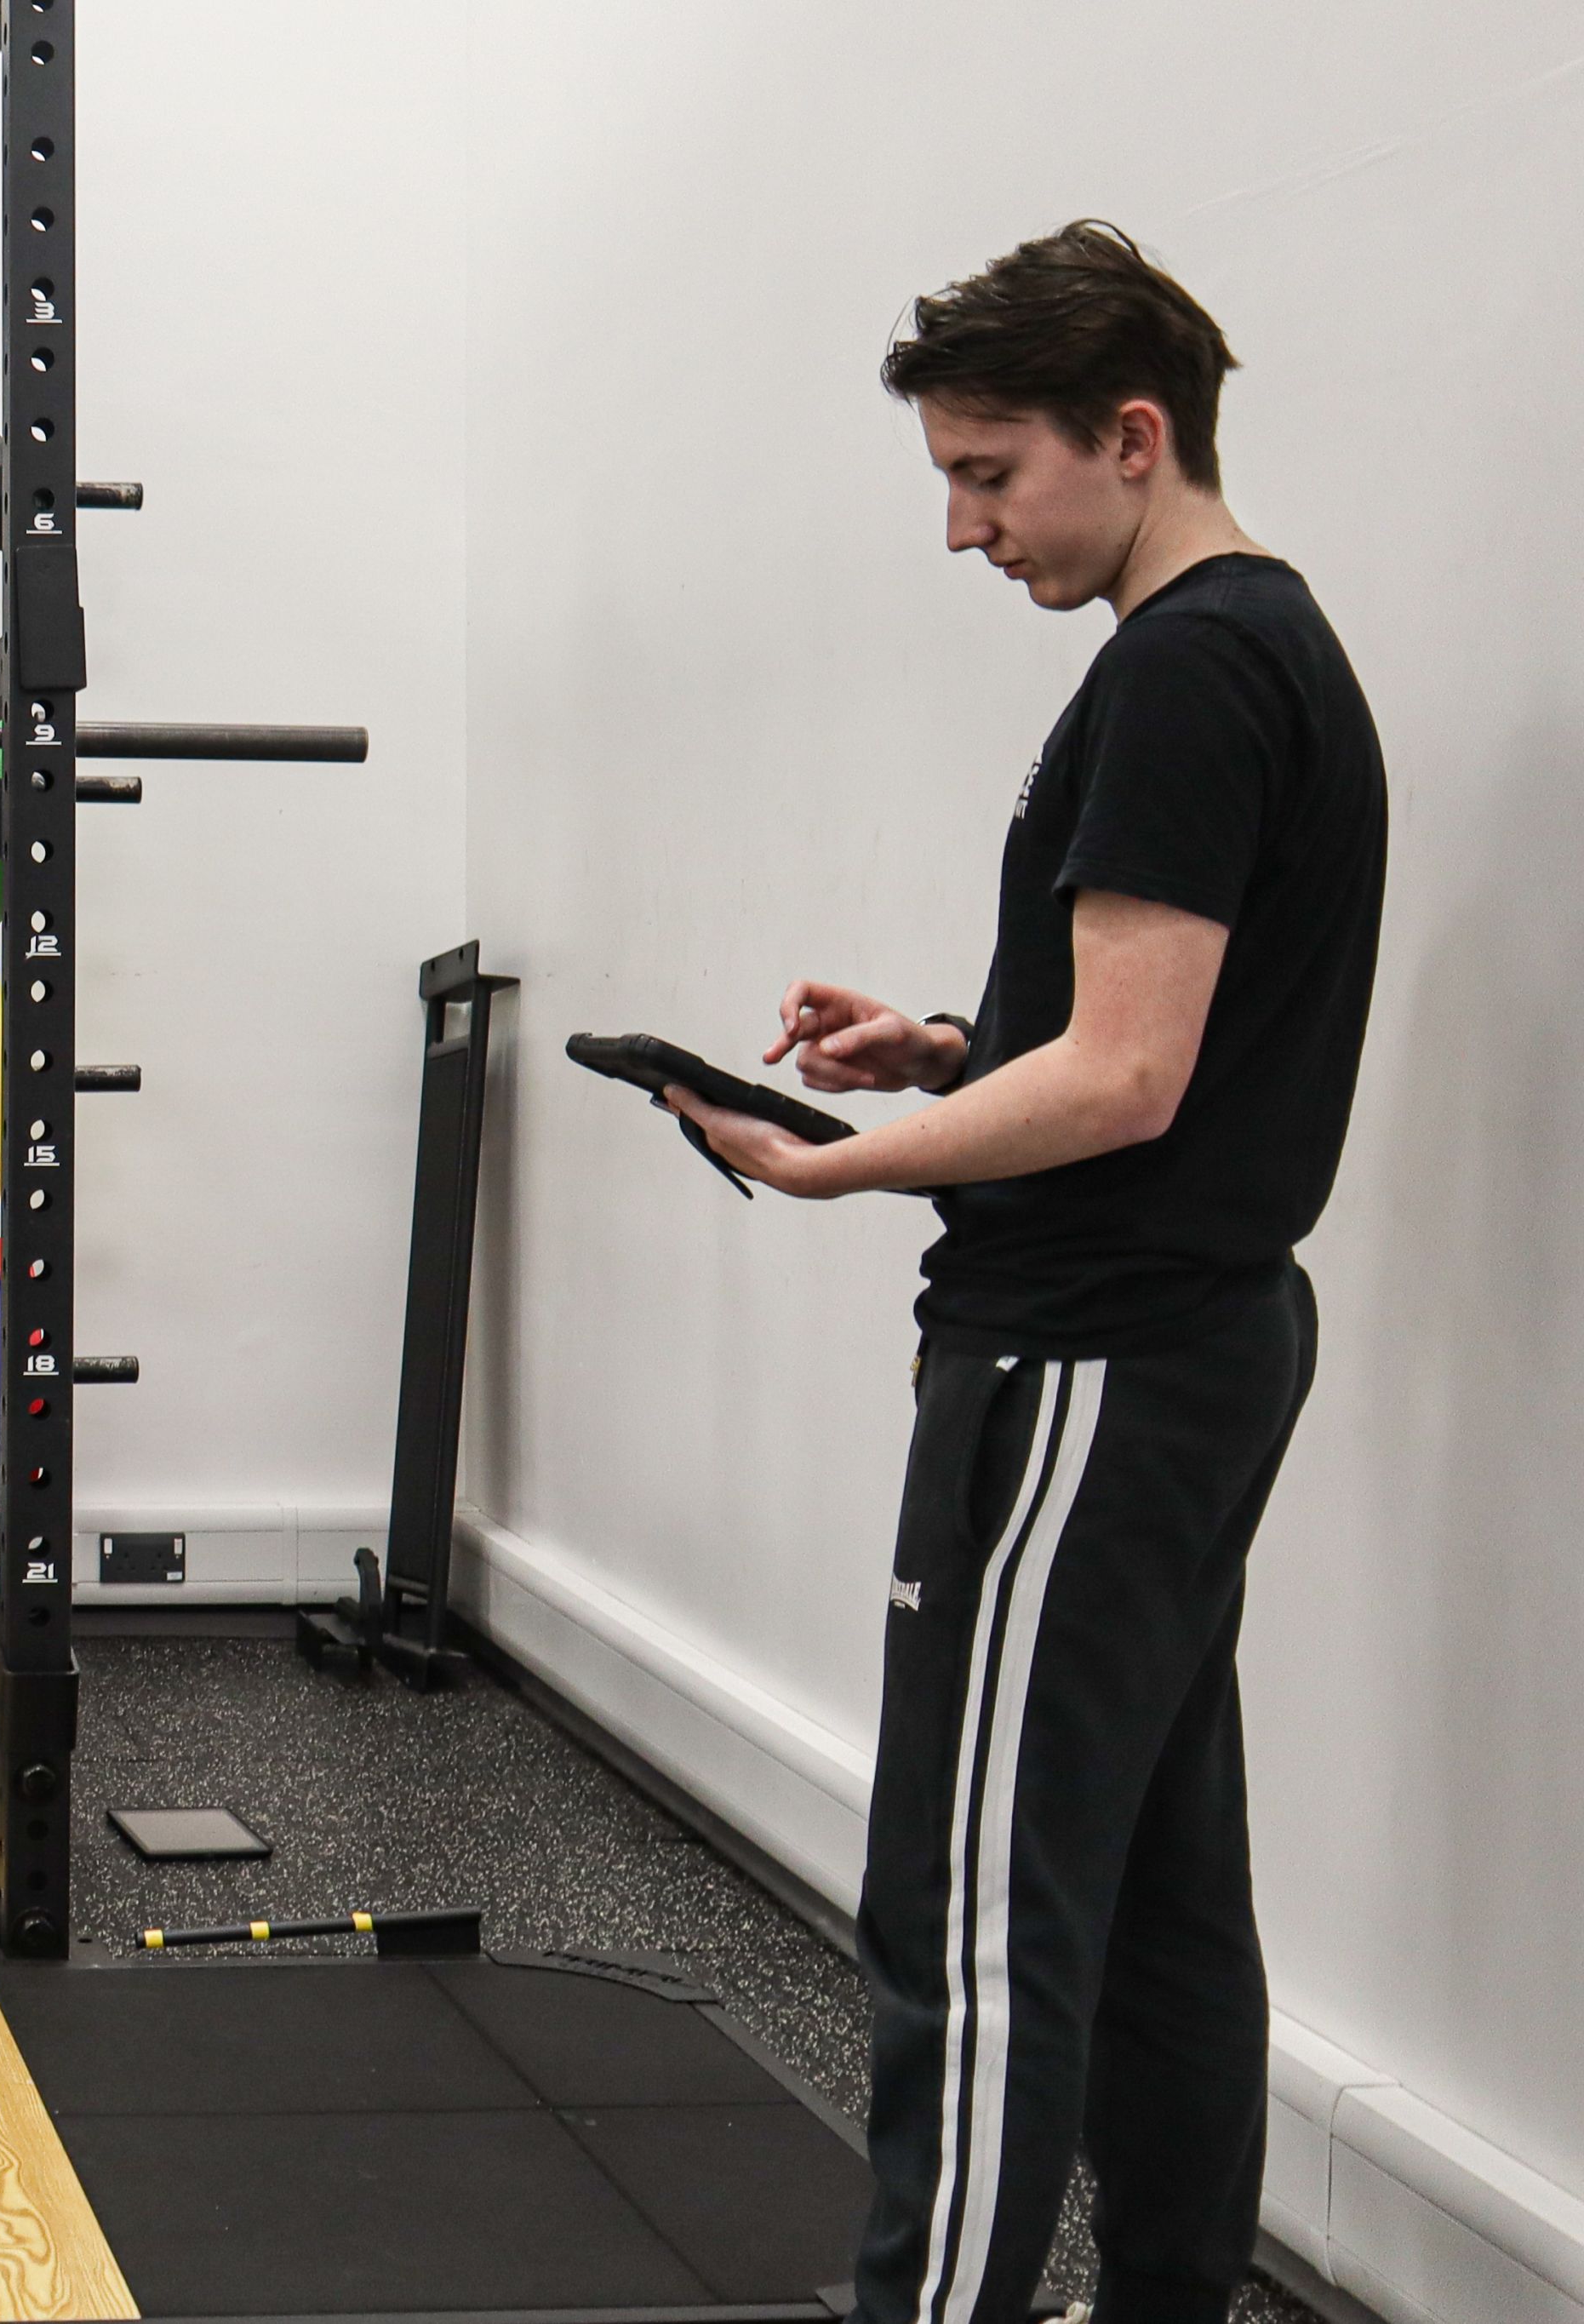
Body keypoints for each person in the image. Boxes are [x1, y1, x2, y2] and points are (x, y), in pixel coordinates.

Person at [665, 223, 1385, 2324]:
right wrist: (954, 1053)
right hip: (1188, 1340)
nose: (962, 529)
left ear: (1130, 437)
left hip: (1079, 1363)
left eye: (989, 476)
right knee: (1152, 1887)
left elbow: (1138, 1078)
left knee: (969, 1905)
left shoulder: (1177, 666)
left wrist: (847, 1161)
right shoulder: (1260, 647)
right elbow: (1149, 1046)